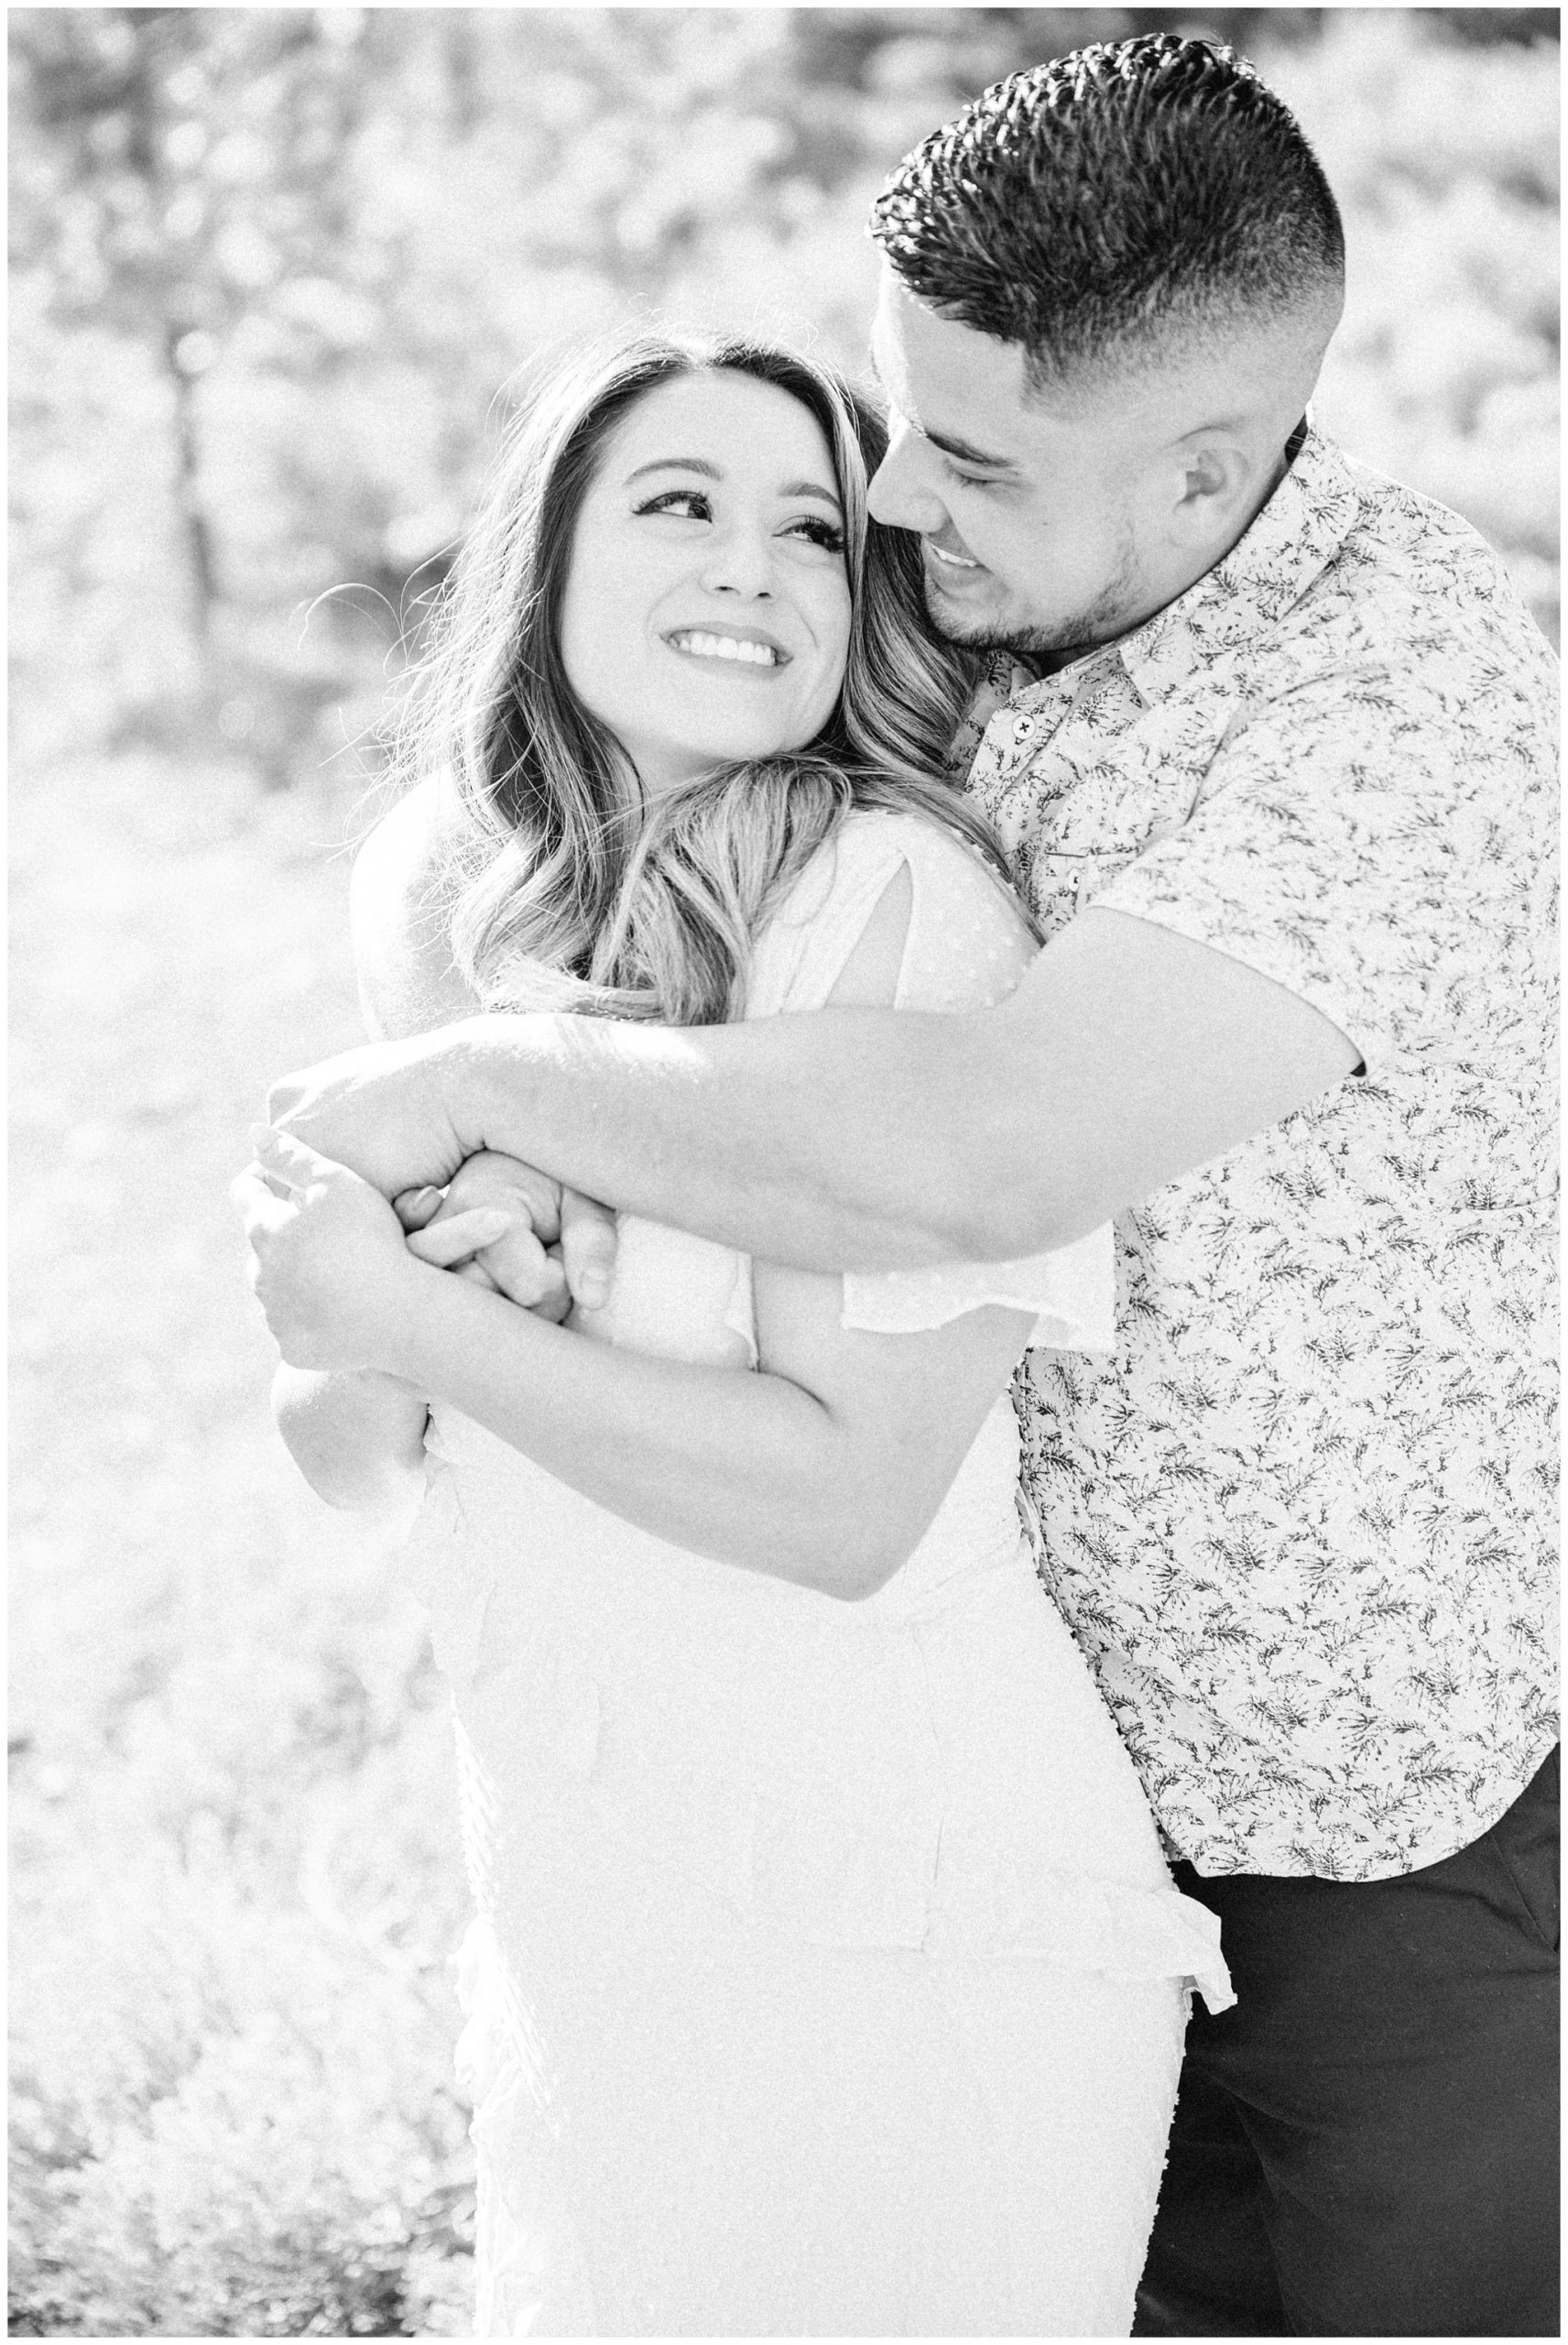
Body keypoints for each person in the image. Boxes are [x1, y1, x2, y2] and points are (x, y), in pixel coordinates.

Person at [261, 34, 1559, 2339]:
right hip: (959, 1775)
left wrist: (480, 1078)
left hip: (1361, 1824)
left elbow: (981, 1148)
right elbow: (624, 778)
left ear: (1207, 470)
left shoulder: (1395, 710)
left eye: (956, 459)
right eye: (891, 414)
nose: (882, 503)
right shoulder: (985, 566)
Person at [235, 331, 1234, 2338]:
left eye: (806, 525)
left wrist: (416, 1313)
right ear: (555, 559)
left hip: (905, 1907)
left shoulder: (906, 914)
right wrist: (389, 1326)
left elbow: (852, 1498)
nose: (752, 565)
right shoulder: (461, 896)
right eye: (678, 503)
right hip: (593, 1877)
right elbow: (359, 1461)